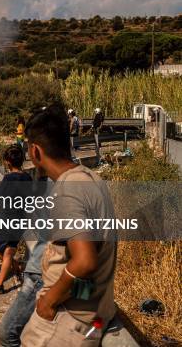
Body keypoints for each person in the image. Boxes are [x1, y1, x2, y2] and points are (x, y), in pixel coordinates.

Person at [20, 105, 117, 346]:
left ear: (35, 151)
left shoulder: (66, 192)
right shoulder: (91, 178)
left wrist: (49, 300)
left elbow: (85, 262)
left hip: (66, 319)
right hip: (94, 313)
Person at [0, 144, 31, 294]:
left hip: (5, 219)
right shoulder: (27, 178)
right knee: (8, 252)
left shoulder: (8, 178)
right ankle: (1, 282)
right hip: (21, 220)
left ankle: (13, 266)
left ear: (7, 162)